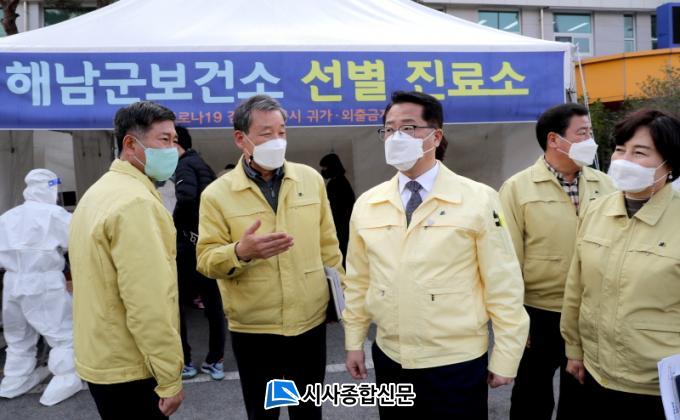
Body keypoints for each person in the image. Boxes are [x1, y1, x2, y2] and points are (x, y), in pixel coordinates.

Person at [343, 91, 529, 419]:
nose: (397, 137)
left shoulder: (478, 199)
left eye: (408, 127)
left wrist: (506, 356)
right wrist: (353, 341)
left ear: (436, 136)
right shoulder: (368, 204)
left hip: (455, 361)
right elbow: (358, 280)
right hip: (391, 357)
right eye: (389, 129)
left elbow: (503, 282)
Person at [196, 95, 344, 420]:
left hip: (308, 324)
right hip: (255, 330)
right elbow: (206, 259)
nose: (277, 141)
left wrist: (339, 299)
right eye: (266, 133)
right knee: (264, 413)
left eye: (282, 132)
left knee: (308, 411)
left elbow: (329, 247)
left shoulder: (310, 180)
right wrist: (240, 252)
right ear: (241, 139)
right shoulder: (217, 195)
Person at [561, 109, 680, 420]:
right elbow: (577, 288)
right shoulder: (596, 211)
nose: (624, 160)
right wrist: (574, 349)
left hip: (657, 385)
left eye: (639, 152)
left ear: (669, 164)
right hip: (595, 372)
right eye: (619, 149)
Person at [69, 101, 184, 419]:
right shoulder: (135, 203)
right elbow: (149, 302)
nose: (172, 149)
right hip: (131, 364)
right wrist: (169, 376)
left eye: (174, 140)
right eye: (164, 139)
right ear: (131, 143)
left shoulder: (97, 193)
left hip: (101, 355)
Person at [499, 103, 614, 420]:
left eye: (590, 133)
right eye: (582, 133)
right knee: (531, 394)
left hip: (589, 310)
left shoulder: (606, 185)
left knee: (581, 395)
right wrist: (514, 316)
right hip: (539, 311)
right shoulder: (517, 188)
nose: (590, 140)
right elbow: (507, 259)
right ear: (554, 139)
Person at [0, 169, 82, 406]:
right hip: (43, 281)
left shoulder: (7, 217)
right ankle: (66, 377)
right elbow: (78, 241)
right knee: (63, 334)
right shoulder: (54, 214)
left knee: (18, 336)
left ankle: (14, 379)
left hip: (12, 282)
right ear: (51, 188)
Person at [172, 125, 226, 381]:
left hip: (188, 246)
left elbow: (185, 198)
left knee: (178, 304)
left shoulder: (184, 166)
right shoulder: (203, 165)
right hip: (209, 243)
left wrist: (175, 225)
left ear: (176, 143)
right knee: (213, 304)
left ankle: (185, 361)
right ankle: (216, 360)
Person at [319, 153, 355, 265]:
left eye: (325, 168)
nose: (323, 171)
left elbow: (334, 209)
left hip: (340, 229)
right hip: (344, 228)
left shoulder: (336, 184)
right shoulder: (342, 181)